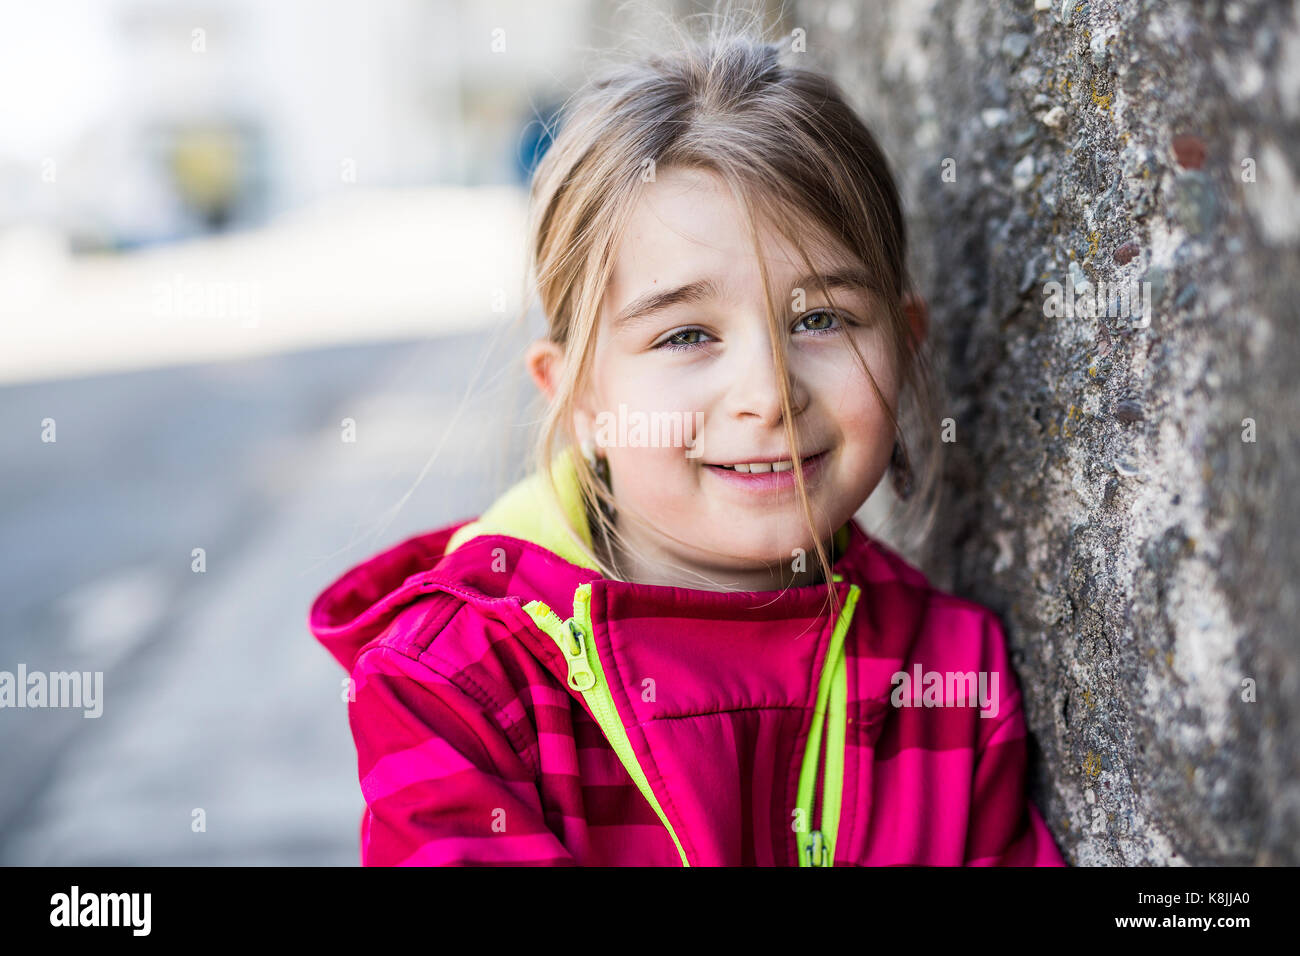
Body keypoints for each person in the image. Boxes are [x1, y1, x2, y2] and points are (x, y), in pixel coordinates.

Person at [309, 11, 1067, 867]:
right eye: (686, 335)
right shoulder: (456, 687)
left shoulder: (951, 673)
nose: (769, 394)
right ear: (578, 395)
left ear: (906, 341)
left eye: (820, 319)